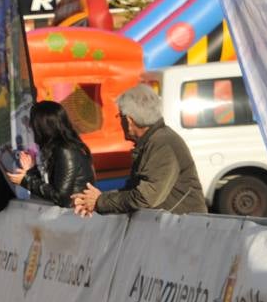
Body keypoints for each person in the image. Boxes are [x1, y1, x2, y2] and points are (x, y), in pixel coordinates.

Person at [73, 84, 208, 217]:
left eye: (119, 116)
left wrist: (100, 201)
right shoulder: (153, 141)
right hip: (173, 227)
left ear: (129, 120)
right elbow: (133, 191)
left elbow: (145, 198)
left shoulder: (162, 144)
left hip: (184, 230)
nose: (120, 122)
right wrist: (97, 200)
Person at [6, 100, 96, 208]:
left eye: (33, 123)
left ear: (43, 127)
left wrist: (26, 181)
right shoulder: (55, 149)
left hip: (73, 217)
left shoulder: (66, 151)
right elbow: (50, 187)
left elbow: (60, 196)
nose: (30, 127)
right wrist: (31, 171)